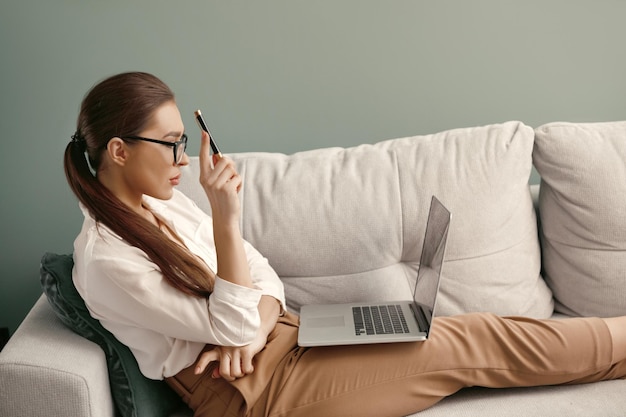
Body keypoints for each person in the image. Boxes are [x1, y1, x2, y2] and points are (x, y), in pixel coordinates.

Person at [64, 71, 626, 417]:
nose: (184, 158)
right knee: (468, 340)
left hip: (282, 341)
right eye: (169, 144)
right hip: (256, 395)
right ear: (118, 150)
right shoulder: (107, 258)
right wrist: (226, 223)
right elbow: (230, 317)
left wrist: (255, 325)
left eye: (183, 141)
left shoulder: (159, 202)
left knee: (459, 331)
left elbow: (264, 276)